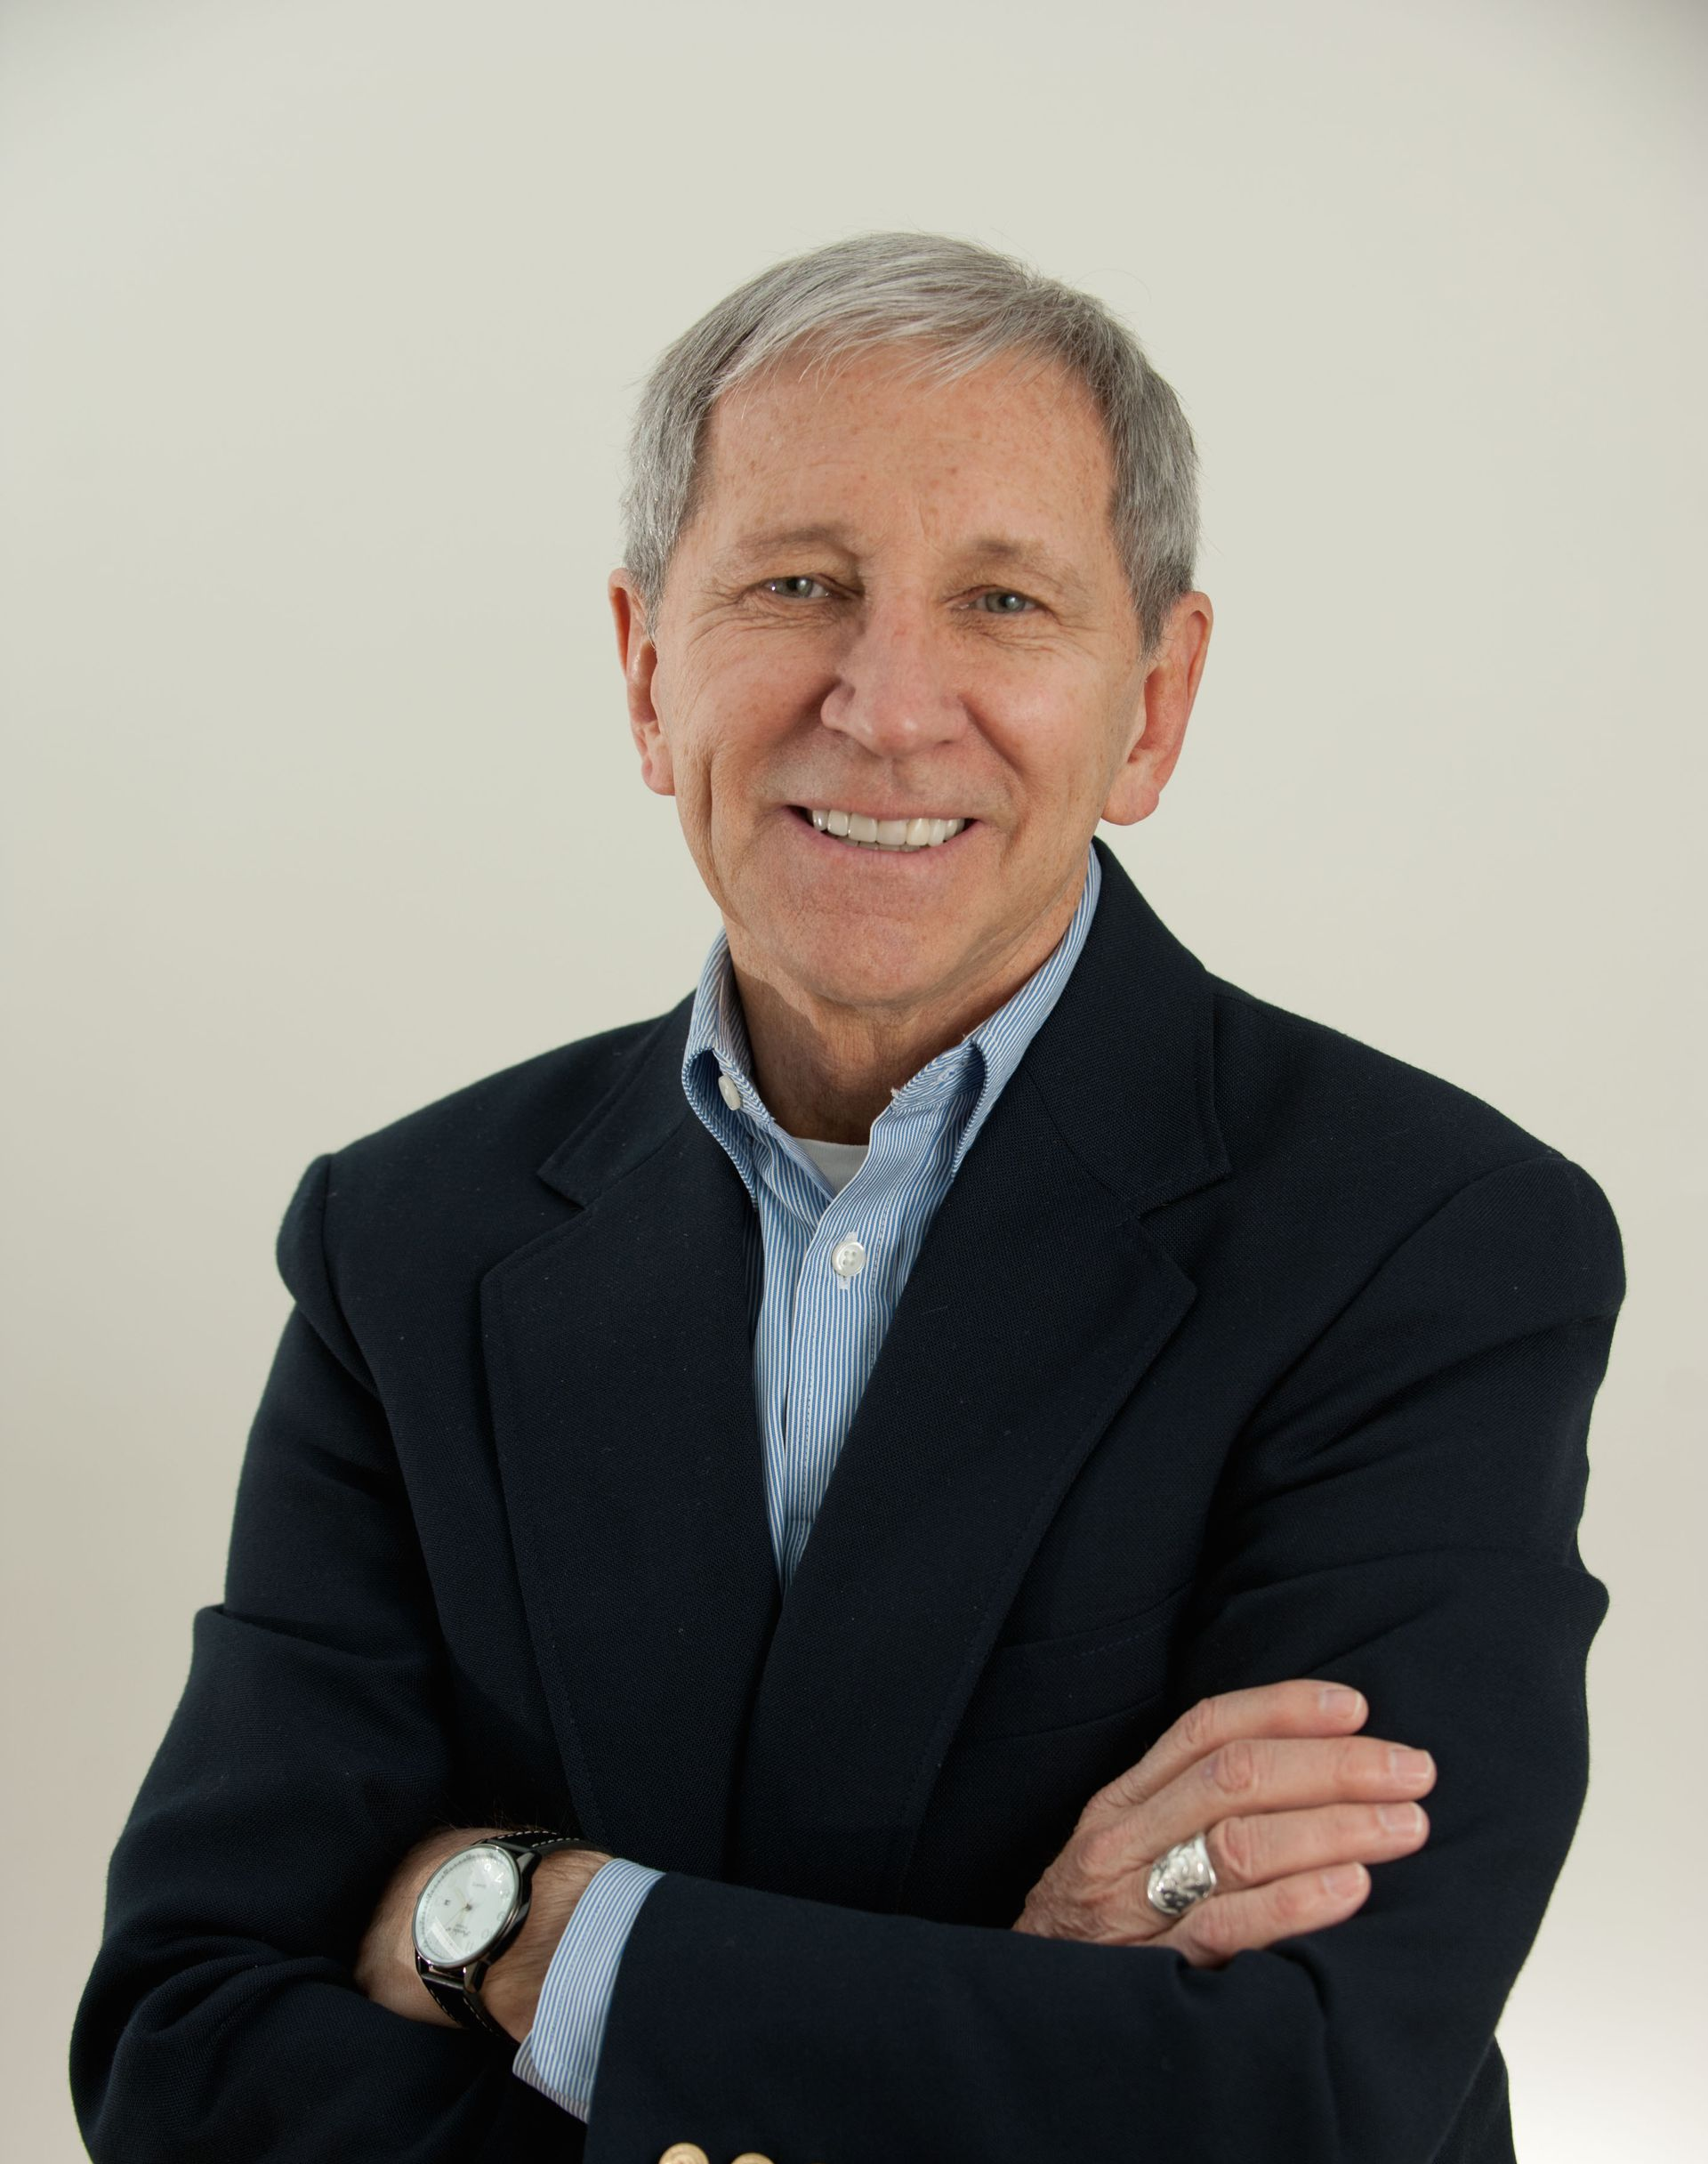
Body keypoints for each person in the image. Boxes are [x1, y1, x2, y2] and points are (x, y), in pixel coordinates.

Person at [69, 230, 1625, 2164]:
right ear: (647, 674)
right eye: (798, 583)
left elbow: (1299, 2094)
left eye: (1001, 600)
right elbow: (188, 2055)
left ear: (1153, 702)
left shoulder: (1431, 1243)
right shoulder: (410, 1246)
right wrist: (1021, 1989)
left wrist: (520, 1928)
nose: (889, 703)